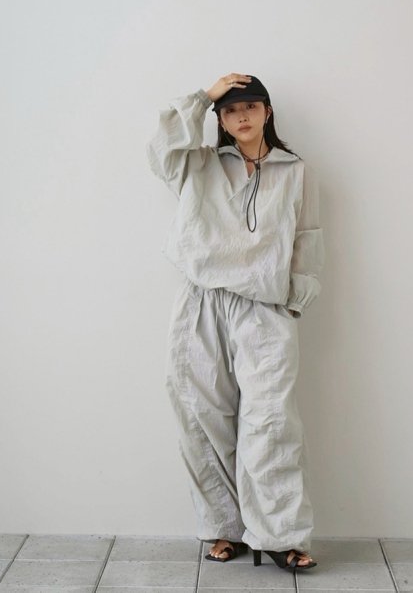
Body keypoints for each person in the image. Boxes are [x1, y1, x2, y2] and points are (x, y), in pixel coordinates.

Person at [145, 73, 325, 571]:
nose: (241, 116)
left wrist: (293, 301)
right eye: (229, 109)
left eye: (250, 106)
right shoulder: (198, 164)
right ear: (220, 120)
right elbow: (160, 149)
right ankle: (223, 527)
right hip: (202, 303)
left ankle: (281, 535)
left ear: (267, 111)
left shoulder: (296, 171)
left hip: (265, 308)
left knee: (271, 421)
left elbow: (307, 236)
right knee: (203, 417)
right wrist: (204, 95)